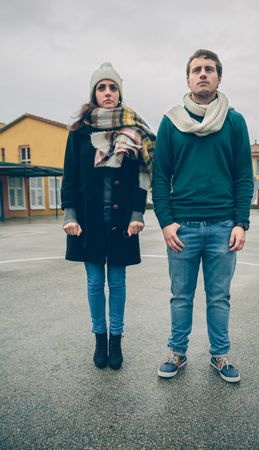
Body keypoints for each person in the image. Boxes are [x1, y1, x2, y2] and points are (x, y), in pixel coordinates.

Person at [152, 49, 254, 382]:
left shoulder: (234, 121)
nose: (203, 74)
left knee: (219, 296)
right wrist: (166, 222)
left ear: (219, 77)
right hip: (183, 228)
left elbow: (243, 175)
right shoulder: (170, 122)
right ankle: (177, 352)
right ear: (188, 78)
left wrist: (241, 223)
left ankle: (220, 356)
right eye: (196, 69)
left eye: (209, 69)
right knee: (181, 295)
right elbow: (159, 176)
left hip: (224, 226)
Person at [61, 62, 155, 370]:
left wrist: (138, 214)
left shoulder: (133, 130)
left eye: (113, 87)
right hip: (88, 222)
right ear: (93, 93)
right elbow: (71, 177)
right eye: (102, 87)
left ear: (119, 93)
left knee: (117, 282)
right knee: (93, 283)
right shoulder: (78, 133)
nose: (108, 92)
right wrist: (70, 215)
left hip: (121, 223)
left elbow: (142, 177)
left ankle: (116, 341)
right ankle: (99, 339)